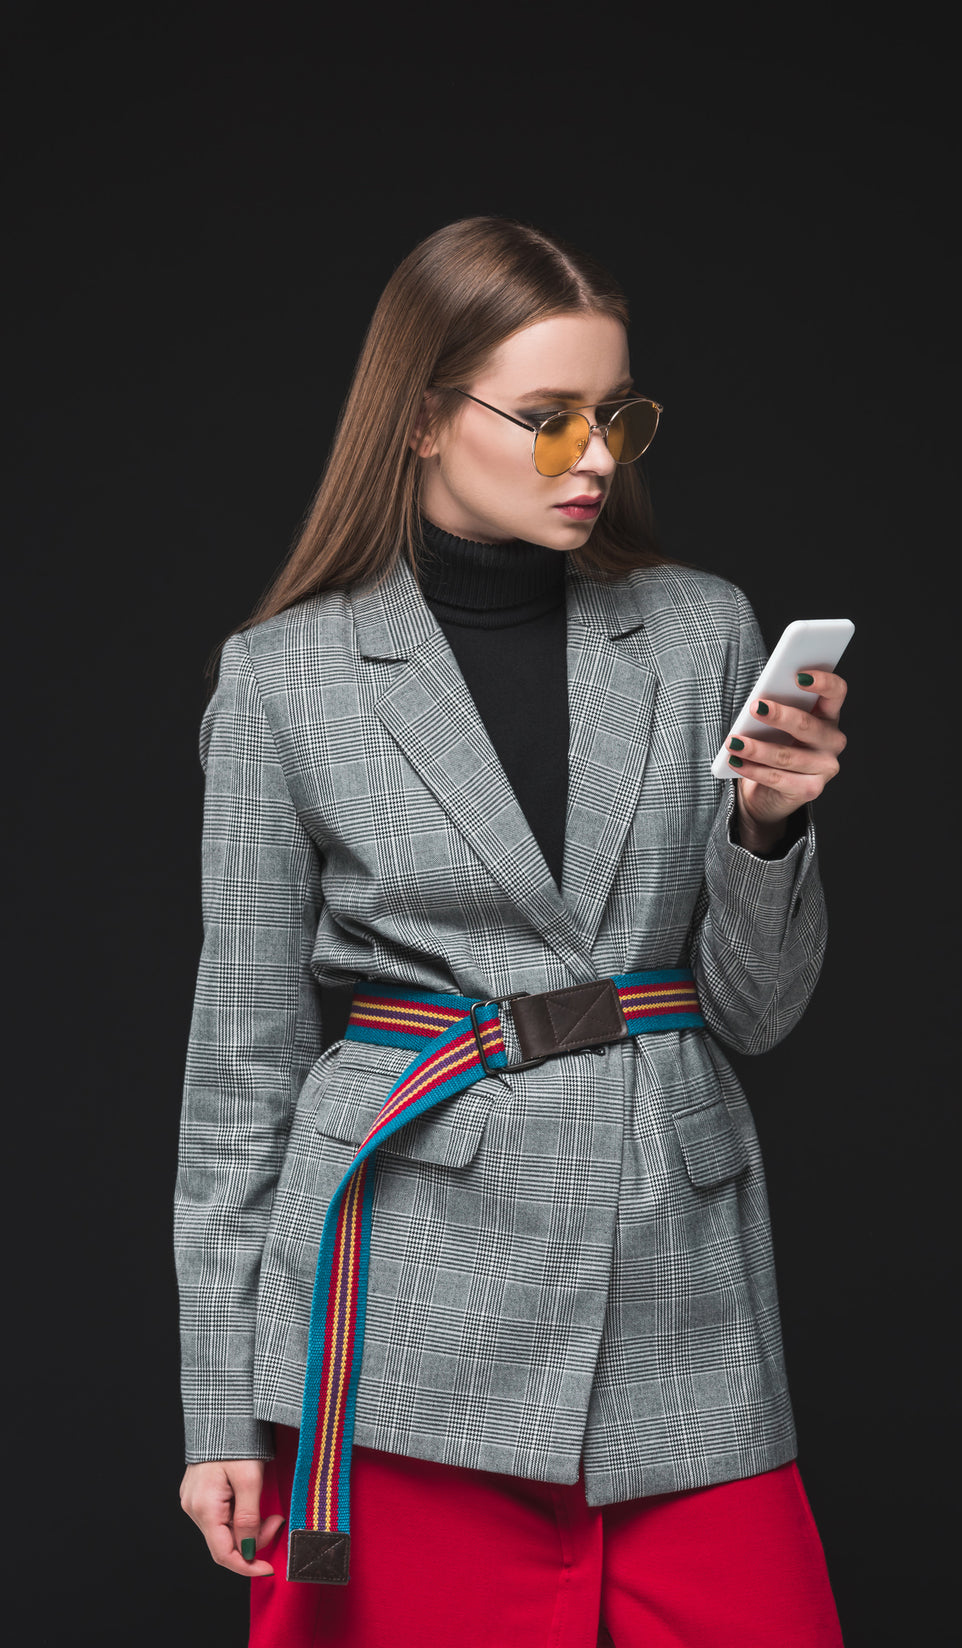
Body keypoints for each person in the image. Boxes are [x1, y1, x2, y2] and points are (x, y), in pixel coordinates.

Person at [176, 216, 849, 1646]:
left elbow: (757, 1009)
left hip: (679, 1283)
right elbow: (240, 1072)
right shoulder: (286, 678)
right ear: (424, 419)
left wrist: (766, 830)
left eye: (616, 416)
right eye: (549, 420)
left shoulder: (699, 632)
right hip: (409, 1307)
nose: (594, 457)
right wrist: (218, 1407)